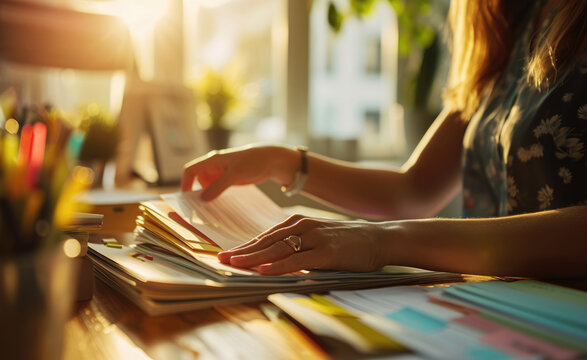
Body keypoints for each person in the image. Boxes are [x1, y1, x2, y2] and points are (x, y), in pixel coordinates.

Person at [181, 0, 587, 278]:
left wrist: (384, 240)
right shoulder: (513, 18)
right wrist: (280, 161)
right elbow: (414, 189)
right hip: (494, 304)